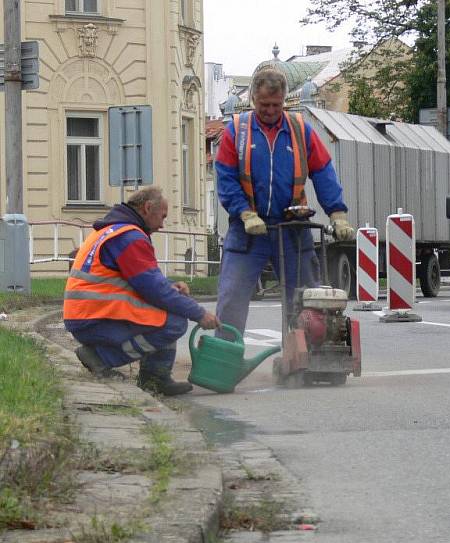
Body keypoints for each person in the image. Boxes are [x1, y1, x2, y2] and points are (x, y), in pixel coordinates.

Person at [214, 68, 355, 337]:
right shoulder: (237, 132)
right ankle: (226, 358)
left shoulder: (301, 132)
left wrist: (337, 214)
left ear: (285, 101)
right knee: (232, 296)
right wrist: (244, 213)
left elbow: (324, 171)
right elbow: (226, 176)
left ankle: (308, 358)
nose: (270, 110)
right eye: (264, 104)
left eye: (276, 105)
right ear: (253, 98)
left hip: (292, 229)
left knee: (307, 300)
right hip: (248, 231)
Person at [63, 186, 221, 396]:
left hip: (86, 314)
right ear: (147, 208)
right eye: (162, 217)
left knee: (169, 308)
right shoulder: (130, 237)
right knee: (174, 322)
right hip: (95, 319)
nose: (163, 225)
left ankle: (156, 378)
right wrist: (199, 314)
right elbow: (155, 290)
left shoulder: (110, 230)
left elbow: (140, 280)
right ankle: (104, 359)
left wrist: (171, 286)